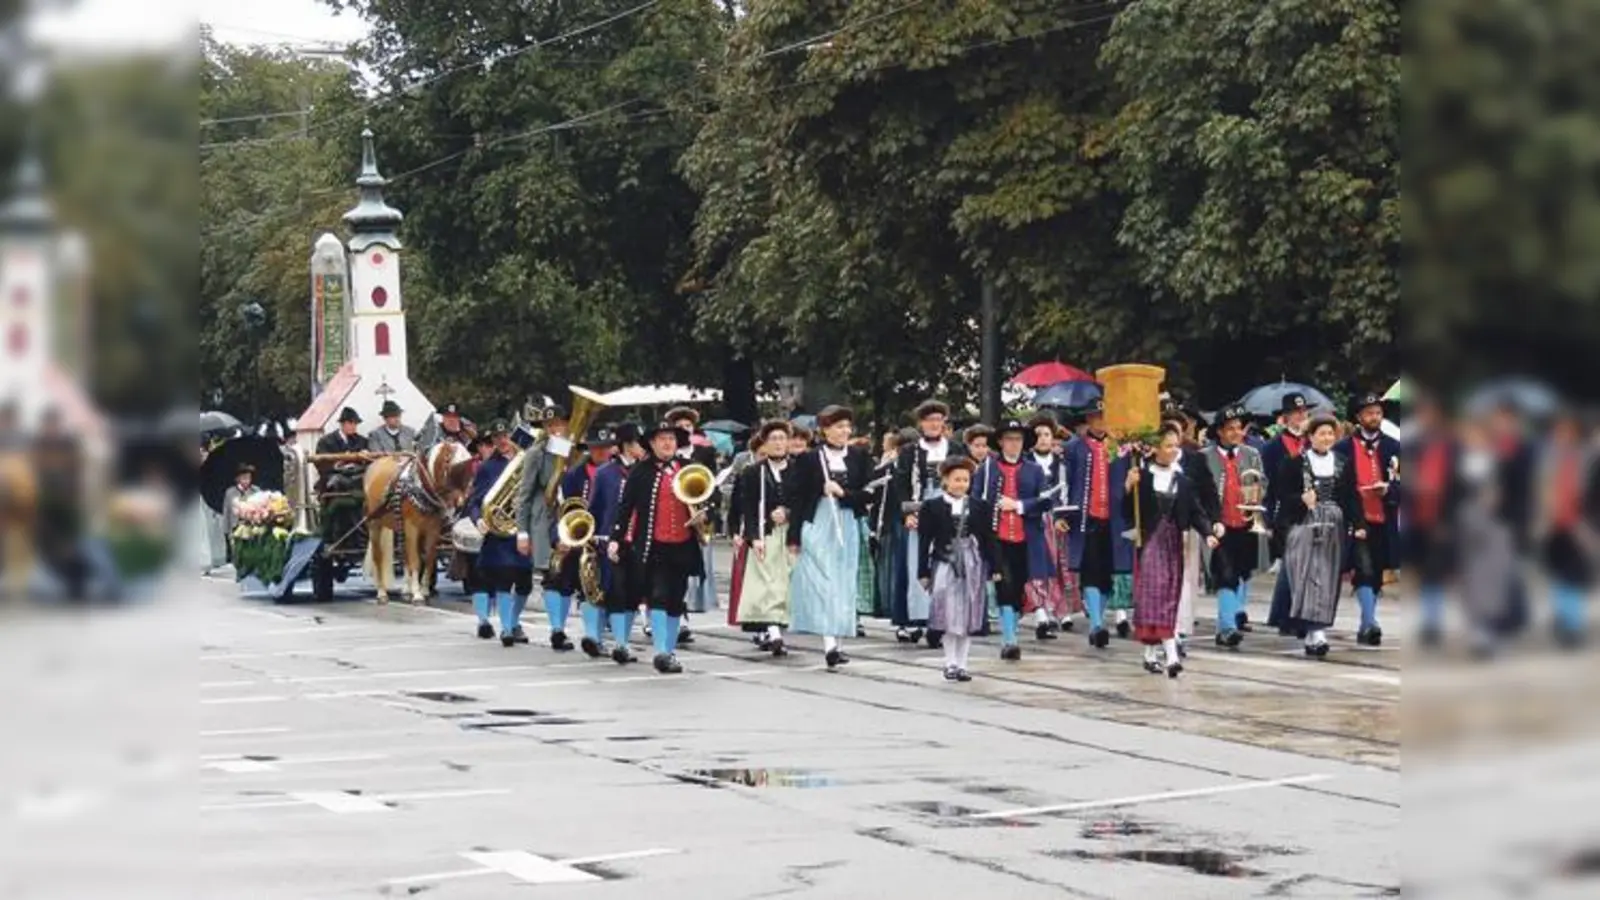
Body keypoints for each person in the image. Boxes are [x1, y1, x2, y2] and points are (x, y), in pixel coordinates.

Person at [1126, 425, 1223, 677]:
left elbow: (1195, 512)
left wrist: (1208, 533)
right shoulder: (1142, 477)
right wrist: (1128, 487)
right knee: (1154, 595)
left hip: (1173, 544)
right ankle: (1171, 655)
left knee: (1169, 596)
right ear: (1156, 448)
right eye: (1168, 446)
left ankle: (1150, 654)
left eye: (1175, 445)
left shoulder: (1183, 481)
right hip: (1149, 543)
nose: (1173, 450)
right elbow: (1126, 512)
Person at [608, 420, 704, 674]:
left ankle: (669, 651)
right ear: (651, 444)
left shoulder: (689, 468)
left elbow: (709, 496)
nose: (667, 443)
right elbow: (625, 507)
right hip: (654, 545)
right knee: (658, 595)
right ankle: (661, 651)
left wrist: (705, 515)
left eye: (671, 438)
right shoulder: (641, 471)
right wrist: (616, 538)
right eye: (661, 439)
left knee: (676, 599)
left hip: (683, 544)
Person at [1270, 413, 1364, 657]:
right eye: (1321, 433)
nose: (1326, 438)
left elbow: (1351, 496)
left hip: (1333, 525)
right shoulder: (1293, 463)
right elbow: (1282, 495)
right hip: (1303, 525)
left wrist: (1359, 523)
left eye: (1330, 433)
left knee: (1327, 578)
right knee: (1307, 577)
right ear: (1310, 436)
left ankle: (1316, 630)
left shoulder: (1342, 462)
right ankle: (1313, 631)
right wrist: (1300, 500)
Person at [787, 405, 872, 669]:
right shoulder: (810, 459)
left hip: (846, 523)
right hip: (818, 522)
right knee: (823, 581)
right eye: (838, 426)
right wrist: (794, 536)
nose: (844, 431)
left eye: (847, 426)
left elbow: (869, 493)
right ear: (825, 430)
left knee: (842, 582)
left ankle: (838, 641)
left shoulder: (860, 457)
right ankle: (829, 644)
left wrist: (844, 493)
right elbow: (797, 498)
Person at [973, 419, 1052, 661]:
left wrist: (1018, 505)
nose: (1013, 444)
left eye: (1017, 439)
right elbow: (976, 500)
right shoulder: (987, 469)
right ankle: (1009, 640)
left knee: (1018, 588)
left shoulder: (1034, 470)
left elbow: (1046, 500)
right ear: (1000, 442)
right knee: (1004, 587)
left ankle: (1011, 630)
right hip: (997, 539)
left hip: (1026, 538)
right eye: (1009, 439)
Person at [918, 457, 1000, 682]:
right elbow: (924, 541)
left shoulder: (979, 506)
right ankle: (949, 662)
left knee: (968, 613)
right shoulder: (932, 507)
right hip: (944, 561)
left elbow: (988, 538)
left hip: (972, 562)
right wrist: (922, 572)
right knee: (947, 611)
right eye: (956, 479)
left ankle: (963, 664)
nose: (961, 484)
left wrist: (995, 565)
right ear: (945, 480)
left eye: (965, 480)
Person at [893, 400, 967, 647]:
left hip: (949, 508)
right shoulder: (910, 452)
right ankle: (918, 617)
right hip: (921, 507)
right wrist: (907, 513)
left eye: (939, 420)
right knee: (919, 559)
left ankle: (945, 616)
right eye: (929, 420)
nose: (934, 424)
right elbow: (900, 485)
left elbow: (967, 480)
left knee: (948, 560)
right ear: (921, 424)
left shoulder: (956, 448)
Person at [1063, 397, 1133, 649]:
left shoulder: (1123, 449)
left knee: (1108, 572)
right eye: (1096, 416)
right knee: (1090, 570)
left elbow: (1129, 484)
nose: (1101, 421)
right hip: (1085, 519)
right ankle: (1095, 624)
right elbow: (1065, 483)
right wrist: (1063, 515)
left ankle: (1099, 619)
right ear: (1089, 419)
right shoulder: (1074, 448)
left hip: (1114, 521)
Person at [1336, 392, 1402, 646]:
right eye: (1369, 413)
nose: (1375, 417)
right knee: (1362, 568)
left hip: (1384, 516)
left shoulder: (1394, 447)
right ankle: (1368, 621)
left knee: (1376, 571)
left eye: (1378, 412)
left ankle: (1368, 619)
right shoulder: (1342, 448)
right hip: (1356, 518)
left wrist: (1389, 490)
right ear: (1358, 417)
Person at [1202, 403, 1263, 648]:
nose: (1236, 433)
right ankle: (1227, 627)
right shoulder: (1205, 456)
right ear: (1219, 431)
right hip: (1219, 525)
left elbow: (1262, 482)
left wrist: (1255, 495)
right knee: (1225, 574)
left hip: (1245, 522)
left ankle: (1225, 623)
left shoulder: (1251, 454)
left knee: (1239, 573)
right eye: (1230, 429)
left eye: (1239, 428)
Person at [553, 426, 618, 658]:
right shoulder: (574, 475)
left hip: (607, 537)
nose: (600, 452)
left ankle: (596, 635)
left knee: (604, 589)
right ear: (589, 449)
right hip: (579, 538)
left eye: (605, 448)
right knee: (585, 588)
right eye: (596, 448)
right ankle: (592, 635)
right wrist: (562, 537)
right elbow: (564, 508)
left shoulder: (618, 472)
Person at [1533, 410, 1596, 647]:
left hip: (1579, 525)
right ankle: (1563, 618)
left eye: (1568, 430)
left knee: (1574, 574)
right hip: (1553, 524)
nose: (1563, 435)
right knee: (1558, 573)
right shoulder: (1548, 458)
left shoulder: (1589, 458)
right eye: (1559, 430)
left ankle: (1572, 624)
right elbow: (1540, 491)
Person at [735, 420, 796, 656]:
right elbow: (748, 507)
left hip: (791, 533)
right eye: (773, 439)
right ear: (765, 443)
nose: (779, 443)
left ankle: (781, 626)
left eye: (782, 439)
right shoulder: (753, 472)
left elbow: (804, 500)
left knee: (786, 583)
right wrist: (753, 537)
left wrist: (788, 512)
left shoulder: (798, 469)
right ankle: (773, 632)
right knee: (767, 583)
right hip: (766, 533)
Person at [514, 405, 570, 650]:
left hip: (569, 515)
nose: (555, 429)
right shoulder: (536, 453)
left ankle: (562, 626)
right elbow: (524, 494)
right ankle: (557, 629)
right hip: (545, 519)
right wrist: (522, 532)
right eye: (551, 425)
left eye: (559, 424)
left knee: (567, 576)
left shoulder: (573, 451)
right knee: (551, 575)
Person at [1405, 392, 1459, 646]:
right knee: (1424, 572)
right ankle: (1430, 620)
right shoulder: (1414, 446)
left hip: (1444, 519)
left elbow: (1460, 486)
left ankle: (1435, 621)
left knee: (1439, 572)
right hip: (1418, 518)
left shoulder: (1453, 448)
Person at [591, 423, 645, 664]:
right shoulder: (605, 472)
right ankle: (621, 643)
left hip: (640, 539)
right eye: (636, 443)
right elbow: (596, 507)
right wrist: (595, 535)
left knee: (634, 592)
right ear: (626, 445)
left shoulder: (645, 471)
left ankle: (623, 640)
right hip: (611, 539)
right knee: (616, 591)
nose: (641, 448)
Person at [666, 406, 720, 642]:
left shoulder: (704, 452)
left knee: (696, 569)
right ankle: (679, 618)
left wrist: (708, 512)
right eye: (680, 427)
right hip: (676, 517)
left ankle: (687, 611)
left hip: (699, 515)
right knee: (676, 572)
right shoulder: (668, 454)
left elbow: (712, 483)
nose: (685, 430)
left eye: (688, 426)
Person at [1260, 392, 1311, 635]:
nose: (1301, 416)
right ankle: (1288, 617)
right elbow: (1266, 485)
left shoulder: (1312, 442)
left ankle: (1285, 615)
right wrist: (1267, 518)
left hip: (1311, 510)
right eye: (1296, 412)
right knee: (1293, 562)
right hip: (1285, 511)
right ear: (1286, 417)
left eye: (1304, 412)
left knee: (1300, 565)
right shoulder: (1272, 448)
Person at [1025, 413, 1075, 639]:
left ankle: (1062, 609)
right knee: (1038, 565)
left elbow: (1066, 490)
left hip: (1057, 518)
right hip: (1035, 519)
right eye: (1038, 435)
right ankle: (1041, 611)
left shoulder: (1061, 463)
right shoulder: (1026, 463)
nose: (1043, 439)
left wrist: (1062, 514)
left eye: (1047, 434)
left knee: (1061, 564)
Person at [314, 407, 369, 546]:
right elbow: (320, 463)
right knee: (337, 485)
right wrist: (337, 465)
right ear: (343, 424)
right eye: (351, 423)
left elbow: (369, 462)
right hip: (335, 483)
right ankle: (331, 538)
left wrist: (363, 457)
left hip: (357, 480)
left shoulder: (361, 441)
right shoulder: (327, 441)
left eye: (355, 424)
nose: (354, 427)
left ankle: (360, 539)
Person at [221, 464, 263, 562]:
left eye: (249, 478)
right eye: (244, 478)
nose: (246, 480)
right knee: (237, 552)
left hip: (252, 526)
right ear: (238, 479)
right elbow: (226, 511)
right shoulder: (230, 492)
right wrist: (226, 531)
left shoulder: (256, 490)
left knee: (251, 551)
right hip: (235, 526)